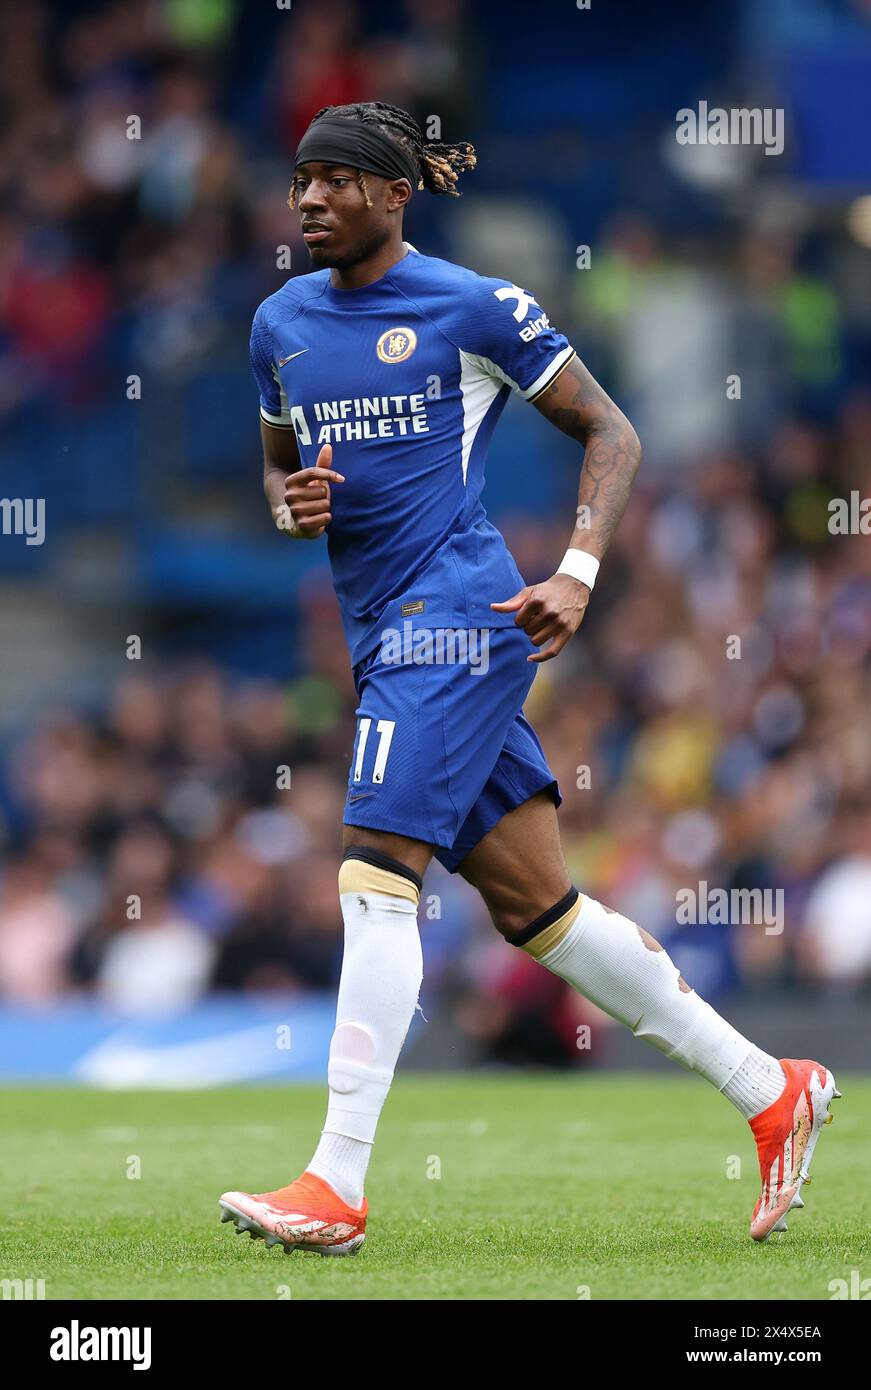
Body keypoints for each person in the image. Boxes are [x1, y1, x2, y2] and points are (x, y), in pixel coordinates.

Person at [219, 102, 838, 1255]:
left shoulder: (471, 305)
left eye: (337, 179)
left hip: (457, 619)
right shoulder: (277, 324)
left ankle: (334, 1182)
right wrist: (289, 503)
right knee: (536, 910)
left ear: (394, 193)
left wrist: (581, 569)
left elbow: (611, 431)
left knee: (373, 868)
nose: (308, 199)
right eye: (300, 178)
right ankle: (770, 1085)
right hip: (378, 631)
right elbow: (281, 474)